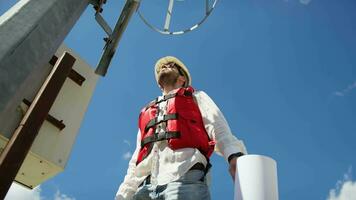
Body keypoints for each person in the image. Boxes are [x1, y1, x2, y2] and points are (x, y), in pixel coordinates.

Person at [115, 56, 247, 200]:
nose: (165, 66)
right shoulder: (147, 112)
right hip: (143, 189)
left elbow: (218, 127)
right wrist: (124, 193)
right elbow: (136, 157)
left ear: (182, 79)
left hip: (186, 179)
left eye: (171, 65)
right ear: (159, 84)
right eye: (162, 67)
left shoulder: (196, 97)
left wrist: (235, 156)